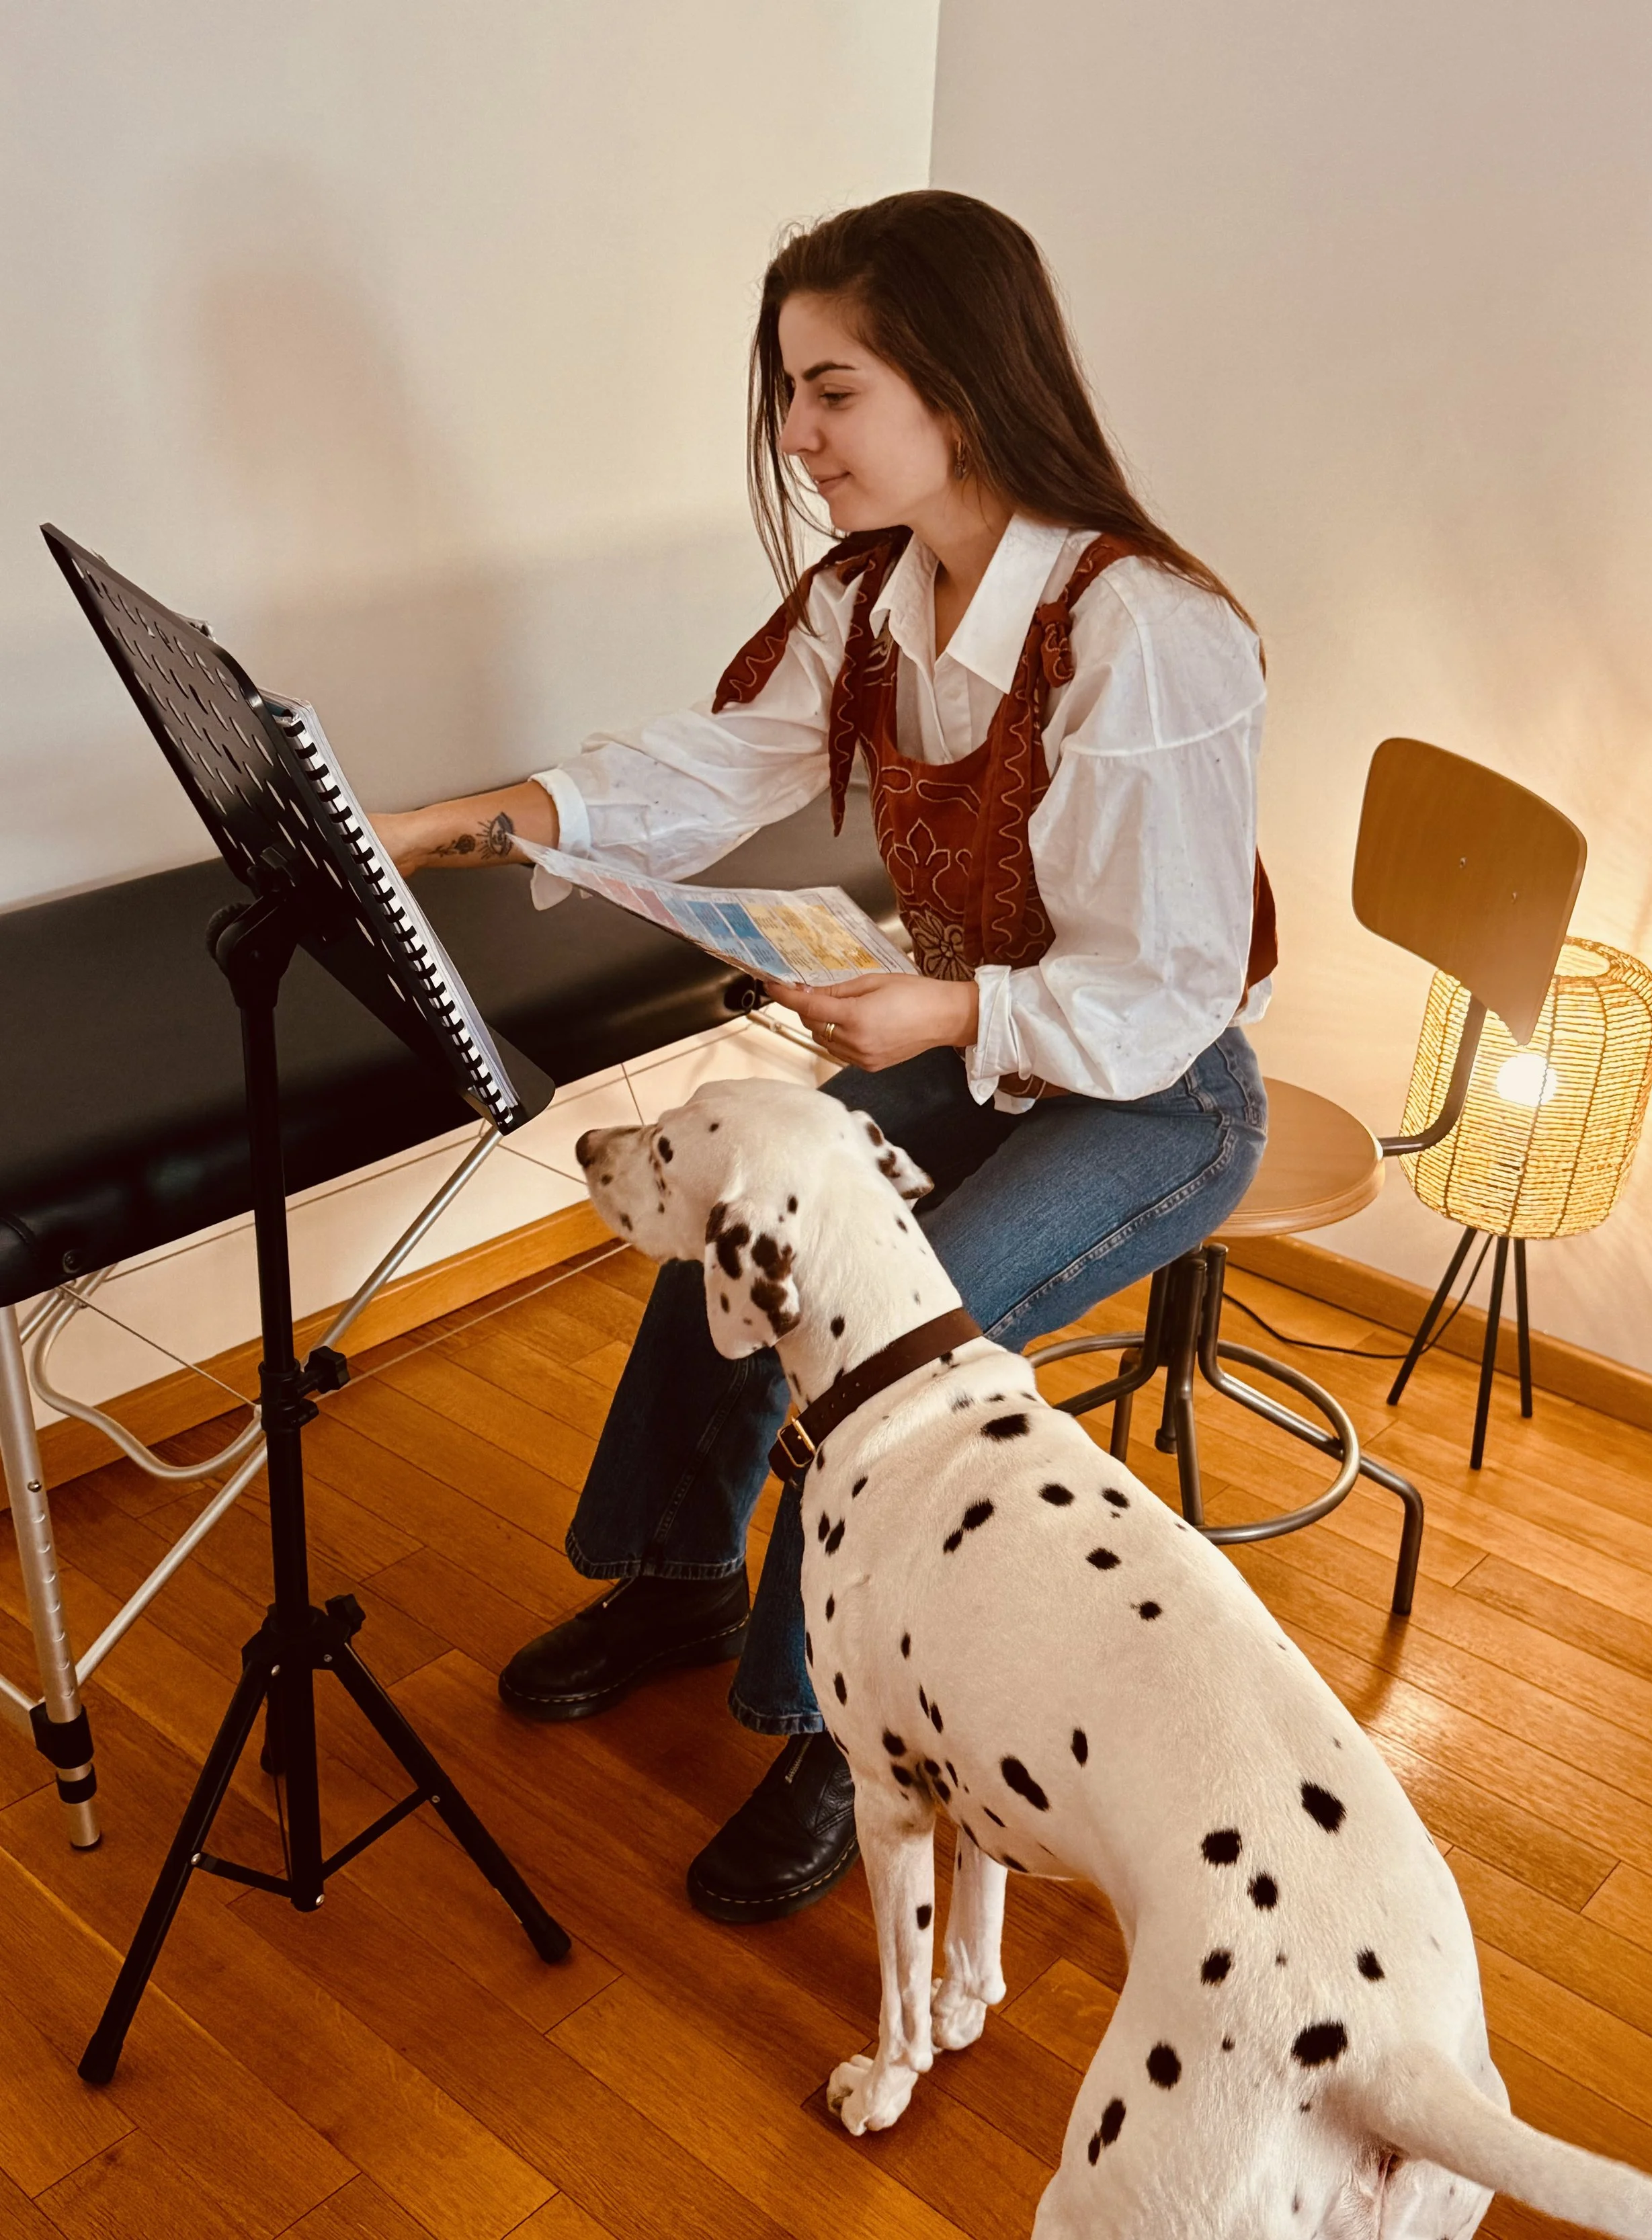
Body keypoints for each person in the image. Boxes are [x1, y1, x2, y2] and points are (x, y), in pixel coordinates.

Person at [372, 190, 1274, 1927]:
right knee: (741, 1228)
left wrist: (936, 1011)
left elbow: (1161, 991)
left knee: (877, 1340)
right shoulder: (873, 598)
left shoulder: (1145, 633)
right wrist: (452, 819)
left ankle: (833, 1731)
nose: (796, 435)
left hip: (1153, 1088)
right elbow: (707, 768)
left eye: (830, 386)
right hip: (991, 1040)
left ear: (957, 377)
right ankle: (677, 1574)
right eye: (789, 388)